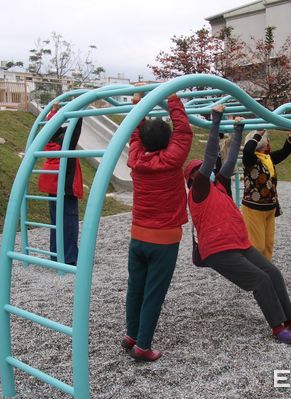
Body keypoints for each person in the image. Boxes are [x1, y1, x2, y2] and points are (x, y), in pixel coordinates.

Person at [184, 105, 291, 344]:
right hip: (218, 250)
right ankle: (277, 328)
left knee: (272, 272)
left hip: (238, 243)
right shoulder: (199, 190)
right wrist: (215, 120)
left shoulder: (219, 186)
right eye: (200, 170)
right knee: (260, 280)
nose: (208, 170)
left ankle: (289, 319)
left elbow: (231, 159)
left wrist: (238, 130)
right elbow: (211, 155)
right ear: (193, 178)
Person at [122, 89, 194, 361]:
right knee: (154, 292)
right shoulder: (172, 159)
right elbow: (184, 130)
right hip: (164, 238)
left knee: (136, 286)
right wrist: (173, 99)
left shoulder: (136, 157)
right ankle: (143, 346)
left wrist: (138, 106)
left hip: (138, 235)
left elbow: (133, 133)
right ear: (168, 140)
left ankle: (131, 334)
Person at [37, 102, 83, 266]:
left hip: (52, 186)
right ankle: (70, 258)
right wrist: (80, 107)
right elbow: (76, 127)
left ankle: (55, 255)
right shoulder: (66, 143)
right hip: (65, 187)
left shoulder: (50, 140)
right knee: (69, 222)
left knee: (56, 222)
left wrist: (54, 111)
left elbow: (52, 125)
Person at [241, 129, 291, 261]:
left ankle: (266, 271)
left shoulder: (268, 159)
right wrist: (258, 135)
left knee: (267, 245)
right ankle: (254, 273)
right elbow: (247, 151)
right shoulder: (251, 160)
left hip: (270, 208)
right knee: (256, 245)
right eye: (267, 140)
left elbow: (285, 152)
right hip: (254, 208)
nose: (269, 143)